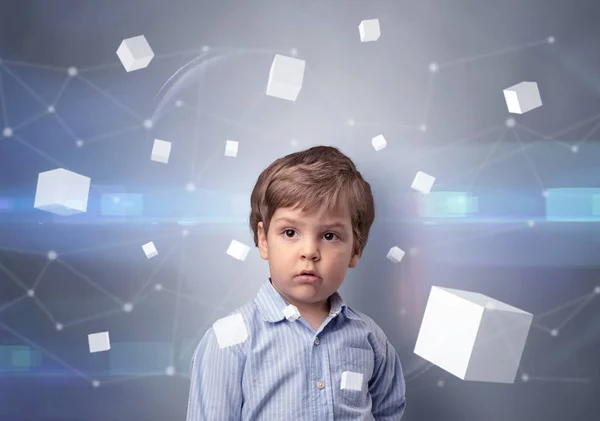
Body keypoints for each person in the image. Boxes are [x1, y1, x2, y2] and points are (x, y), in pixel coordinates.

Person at [187, 145, 406, 420]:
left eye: (329, 236)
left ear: (355, 250)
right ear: (264, 239)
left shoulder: (369, 338)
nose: (309, 251)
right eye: (290, 232)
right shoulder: (230, 340)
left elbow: (389, 410)